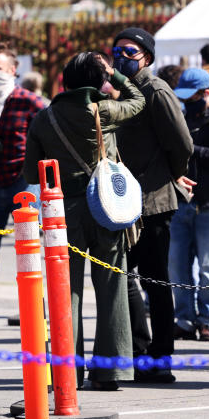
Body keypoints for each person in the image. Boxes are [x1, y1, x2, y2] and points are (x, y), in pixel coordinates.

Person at [24, 52, 146, 390]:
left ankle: (67, 372)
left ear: (65, 80)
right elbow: (139, 99)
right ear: (100, 80)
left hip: (63, 211)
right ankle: (111, 370)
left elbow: (30, 169)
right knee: (111, 286)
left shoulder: (44, 117)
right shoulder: (102, 110)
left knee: (66, 291)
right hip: (106, 207)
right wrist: (116, 75)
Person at [112, 27, 194, 384]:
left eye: (129, 51)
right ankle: (140, 351)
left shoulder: (156, 90)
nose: (121, 57)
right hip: (126, 201)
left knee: (155, 282)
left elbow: (183, 143)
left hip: (155, 202)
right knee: (125, 278)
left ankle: (160, 357)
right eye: (117, 50)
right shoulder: (124, 92)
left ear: (146, 55)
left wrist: (172, 176)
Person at [0, 43, 46, 286]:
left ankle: (36, 310)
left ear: (13, 70)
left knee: (29, 250)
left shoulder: (30, 102)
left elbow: (47, 140)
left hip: (22, 183)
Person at [168, 68, 209, 342]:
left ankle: (205, 320)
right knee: (178, 265)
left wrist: (192, 149)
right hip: (182, 202)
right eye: (184, 98)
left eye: (192, 97)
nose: (187, 103)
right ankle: (184, 319)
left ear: (207, 92)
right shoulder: (182, 115)